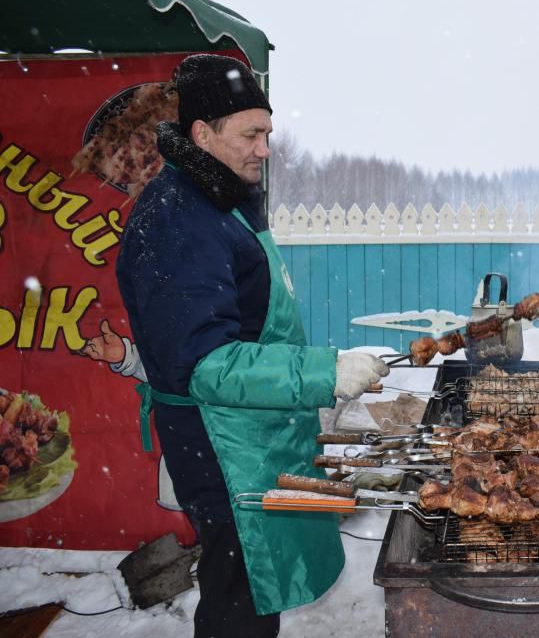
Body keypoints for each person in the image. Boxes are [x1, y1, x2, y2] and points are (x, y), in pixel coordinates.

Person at [115, 53, 388, 638]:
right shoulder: (176, 220)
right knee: (240, 592)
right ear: (202, 133)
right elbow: (206, 365)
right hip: (220, 446)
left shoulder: (220, 199)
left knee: (250, 591)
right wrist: (324, 371)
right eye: (251, 134)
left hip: (253, 434)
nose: (265, 149)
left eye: (268, 133)